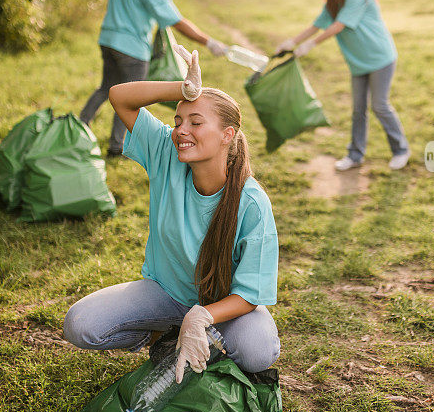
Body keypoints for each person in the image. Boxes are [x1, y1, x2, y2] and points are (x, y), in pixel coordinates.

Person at [63, 45, 280, 382]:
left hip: (221, 307)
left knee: (257, 352)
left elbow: (251, 291)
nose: (181, 130)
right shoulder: (165, 152)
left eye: (195, 122)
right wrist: (183, 88)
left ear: (228, 135)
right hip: (165, 293)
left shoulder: (251, 202)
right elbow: (119, 96)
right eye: (178, 121)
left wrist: (202, 316)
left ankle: (198, 335)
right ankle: (163, 337)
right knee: (81, 325)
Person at [80, 0, 229, 158]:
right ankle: (115, 147)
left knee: (105, 88)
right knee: (133, 99)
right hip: (131, 47)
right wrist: (209, 42)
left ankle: (79, 128)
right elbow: (176, 21)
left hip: (108, 39)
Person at [276, 0, 410, 171]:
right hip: (358, 63)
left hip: (380, 58)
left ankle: (401, 150)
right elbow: (317, 25)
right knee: (358, 110)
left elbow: (339, 25)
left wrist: (311, 45)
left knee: (379, 105)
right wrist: (292, 42)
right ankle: (355, 155)